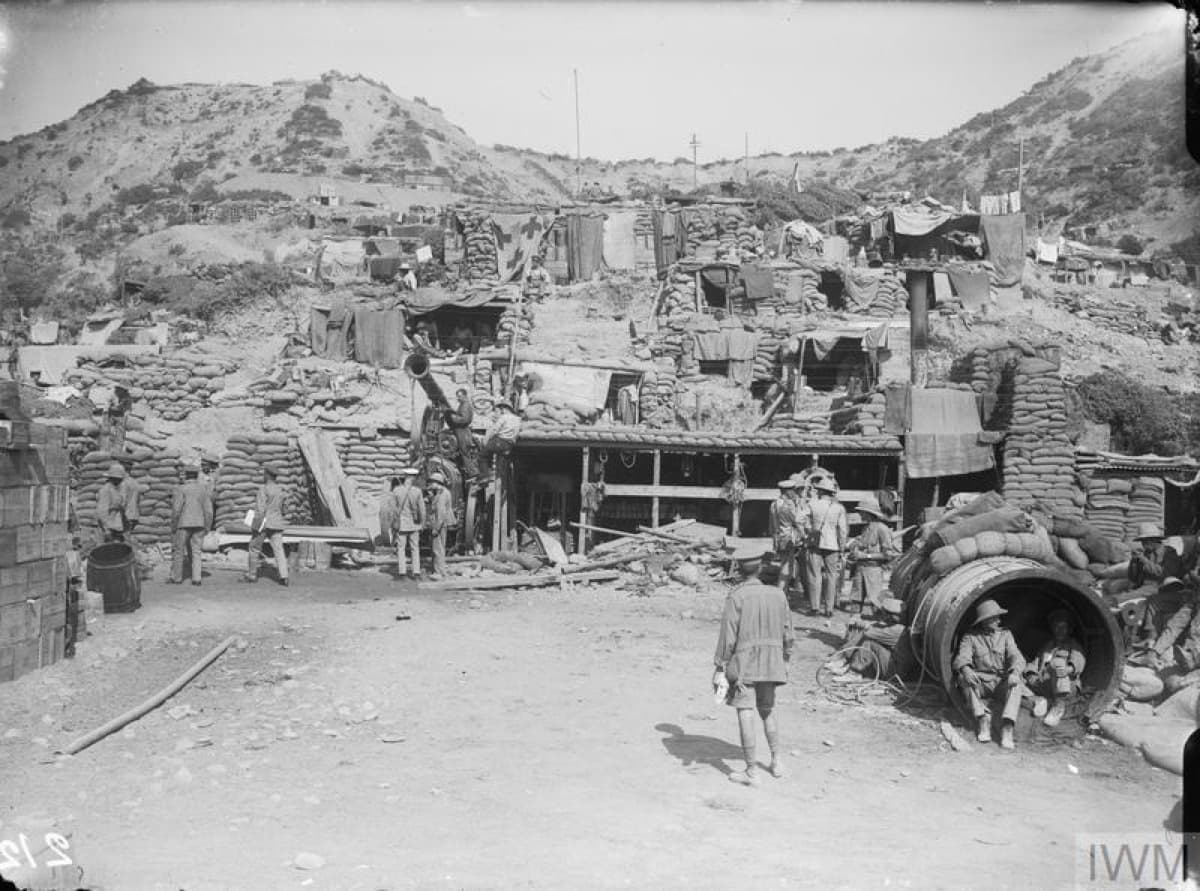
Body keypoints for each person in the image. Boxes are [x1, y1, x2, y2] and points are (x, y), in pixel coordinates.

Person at [713, 553, 795, 787]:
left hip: (745, 663)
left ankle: (751, 772)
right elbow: (789, 632)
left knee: (745, 710)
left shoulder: (736, 596)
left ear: (739, 570)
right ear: (759, 569)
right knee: (768, 708)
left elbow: (727, 637)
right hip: (772, 659)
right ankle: (777, 761)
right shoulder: (778, 595)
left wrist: (721, 665)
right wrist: (786, 658)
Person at [953, 599, 1025, 749]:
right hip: (981, 683)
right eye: (994, 618)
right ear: (984, 620)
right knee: (962, 678)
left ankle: (1007, 727)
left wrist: (1014, 671)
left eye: (998, 617)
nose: (998, 620)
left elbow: (1016, 656)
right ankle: (982, 719)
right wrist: (966, 669)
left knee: (1017, 682)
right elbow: (962, 657)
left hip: (1000, 682)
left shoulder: (1005, 635)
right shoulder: (971, 637)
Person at [1023, 609, 1086, 727]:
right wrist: (1030, 674)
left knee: (1057, 662)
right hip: (1046, 684)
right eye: (1056, 627)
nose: (1059, 631)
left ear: (1069, 630)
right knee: (1018, 670)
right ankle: (1041, 701)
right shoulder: (1048, 645)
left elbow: (1079, 660)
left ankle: (1058, 707)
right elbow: (1035, 662)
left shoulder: (1073, 645)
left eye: (1063, 627)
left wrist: (1069, 669)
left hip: (1066, 686)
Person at [825, 597, 916, 680]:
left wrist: (859, 623)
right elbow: (877, 626)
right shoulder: (899, 627)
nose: (882, 615)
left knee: (869, 641)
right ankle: (845, 660)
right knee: (869, 635)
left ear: (890, 616)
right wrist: (866, 624)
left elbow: (869, 632)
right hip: (899, 667)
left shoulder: (895, 631)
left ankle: (854, 672)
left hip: (895, 672)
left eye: (884, 613)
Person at [846, 498, 899, 615]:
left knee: (875, 603)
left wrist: (865, 556)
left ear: (869, 513)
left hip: (873, 571)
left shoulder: (882, 529)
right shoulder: (865, 528)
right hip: (860, 570)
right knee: (855, 602)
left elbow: (888, 555)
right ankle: (853, 629)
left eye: (862, 512)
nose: (860, 514)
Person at [805, 478, 847, 617]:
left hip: (814, 543)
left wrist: (808, 531)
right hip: (833, 545)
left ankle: (814, 607)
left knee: (814, 575)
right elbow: (842, 530)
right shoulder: (839, 508)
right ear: (831, 493)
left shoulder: (812, 504)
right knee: (831, 576)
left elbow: (799, 519)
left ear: (821, 491)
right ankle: (829, 609)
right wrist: (842, 548)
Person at [169, 464, 213, 587]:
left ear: (186, 475)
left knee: (179, 551)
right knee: (197, 551)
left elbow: (176, 510)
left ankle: (176, 577)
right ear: (197, 475)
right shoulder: (203, 489)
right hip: (199, 524)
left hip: (183, 524)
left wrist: (173, 525)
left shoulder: (180, 489)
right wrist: (208, 526)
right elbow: (209, 511)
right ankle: (197, 578)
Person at [245, 467, 290, 587]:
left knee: (254, 548)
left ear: (268, 475)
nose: (263, 476)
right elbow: (285, 509)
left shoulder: (263, 489)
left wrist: (255, 526)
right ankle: (284, 577)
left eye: (264, 474)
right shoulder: (281, 490)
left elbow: (260, 509)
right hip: (277, 524)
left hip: (264, 523)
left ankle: (252, 575)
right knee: (279, 550)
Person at [768, 480, 803, 596]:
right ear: (787, 491)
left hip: (778, 537)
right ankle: (780, 592)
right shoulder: (787, 506)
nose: (794, 492)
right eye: (792, 490)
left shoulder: (774, 504)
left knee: (785, 564)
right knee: (787, 566)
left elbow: (771, 525)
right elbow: (796, 521)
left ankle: (785, 592)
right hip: (788, 538)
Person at [390, 467, 426, 580]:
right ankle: (416, 573)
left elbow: (393, 509)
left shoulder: (396, 490)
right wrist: (423, 523)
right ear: (413, 477)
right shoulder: (417, 491)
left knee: (401, 548)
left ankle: (402, 573)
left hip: (402, 524)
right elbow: (422, 510)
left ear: (405, 477)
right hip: (414, 524)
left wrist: (393, 523)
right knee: (415, 548)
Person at [476, 401, 522, 485]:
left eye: (501, 409)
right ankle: (490, 473)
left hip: (500, 441)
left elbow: (494, 430)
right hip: (509, 444)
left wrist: (486, 440)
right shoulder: (518, 419)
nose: (500, 411)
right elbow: (517, 433)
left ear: (505, 409)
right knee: (489, 453)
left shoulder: (504, 417)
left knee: (482, 456)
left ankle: (485, 476)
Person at [1128, 523, 1182, 589]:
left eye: (1145, 541)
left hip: (1159, 589)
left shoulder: (1170, 553)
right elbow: (1133, 578)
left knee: (1120, 599)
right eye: (1142, 542)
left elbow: (1163, 574)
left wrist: (1145, 560)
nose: (1143, 545)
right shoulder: (1146, 554)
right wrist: (1134, 562)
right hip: (1142, 588)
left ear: (1154, 539)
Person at [427, 471, 454, 580]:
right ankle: (440, 570)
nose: (430, 485)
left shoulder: (442, 494)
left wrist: (436, 528)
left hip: (439, 525)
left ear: (437, 483)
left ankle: (438, 572)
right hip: (440, 523)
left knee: (437, 549)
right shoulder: (442, 492)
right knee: (439, 548)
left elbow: (441, 513)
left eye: (432, 482)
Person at [445, 388, 476, 478]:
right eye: (457, 397)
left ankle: (473, 473)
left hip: (462, 432)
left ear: (465, 396)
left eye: (459, 396)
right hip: (462, 431)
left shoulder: (465, 405)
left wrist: (452, 417)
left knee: (465, 452)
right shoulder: (464, 405)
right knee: (465, 452)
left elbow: (464, 419)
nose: (458, 398)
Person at [95, 463, 129, 543]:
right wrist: (106, 530)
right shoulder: (105, 490)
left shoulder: (119, 489)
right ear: (112, 478)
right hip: (108, 527)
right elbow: (102, 512)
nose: (120, 481)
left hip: (117, 526)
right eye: (118, 479)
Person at [116, 455, 142, 539]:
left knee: (124, 539)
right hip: (134, 515)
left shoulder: (123, 483)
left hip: (125, 516)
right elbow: (138, 500)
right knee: (127, 537)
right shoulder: (135, 483)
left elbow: (122, 502)